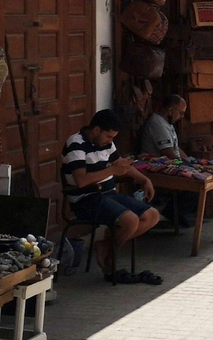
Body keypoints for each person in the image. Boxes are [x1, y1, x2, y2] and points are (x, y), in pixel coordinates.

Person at [63, 108, 161, 277]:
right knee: (130, 221)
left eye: (112, 138)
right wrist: (112, 171)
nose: (110, 141)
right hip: (86, 198)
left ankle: (106, 245)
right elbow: (81, 180)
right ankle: (110, 253)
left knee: (152, 215)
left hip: (109, 194)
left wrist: (144, 180)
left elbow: (121, 165)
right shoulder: (76, 143)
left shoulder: (106, 143)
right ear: (96, 130)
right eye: (108, 136)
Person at [139, 93, 194, 229]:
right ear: (170, 110)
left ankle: (174, 214)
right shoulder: (157, 123)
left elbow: (176, 148)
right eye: (180, 112)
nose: (181, 117)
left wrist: (191, 161)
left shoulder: (168, 124)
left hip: (171, 163)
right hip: (158, 166)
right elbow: (168, 153)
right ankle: (170, 213)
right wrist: (186, 166)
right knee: (193, 183)